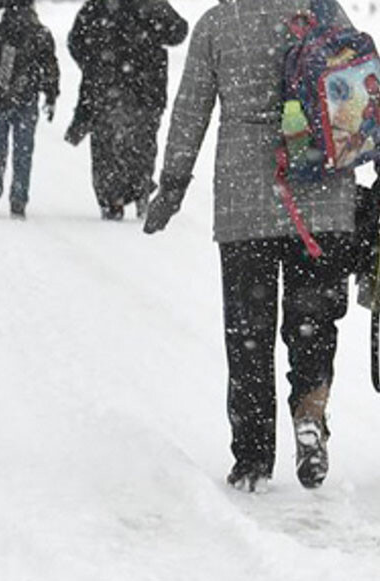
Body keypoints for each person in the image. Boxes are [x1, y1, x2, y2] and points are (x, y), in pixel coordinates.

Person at [143, 0, 359, 492]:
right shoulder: (323, 11)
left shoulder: (219, 23)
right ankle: (310, 411)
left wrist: (173, 183)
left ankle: (253, 459)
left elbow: (191, 107)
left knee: (248, 334)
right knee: (313, 322)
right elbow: (358, 90)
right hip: (322, 195)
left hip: (247, 201)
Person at [68, 0, 187, 220]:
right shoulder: (150, 4)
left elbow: (76, 41)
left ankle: (114, 199)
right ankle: (138, 189)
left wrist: (95, 64)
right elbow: (178, 31)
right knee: (140, 144)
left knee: (108, 147)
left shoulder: (98, 6)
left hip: (109, 89)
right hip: (145, 90)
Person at [0, 0, 59, 218]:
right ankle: (18, 199)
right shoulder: (40, 34)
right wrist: (51, 96)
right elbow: (50, 68)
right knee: (23, 152)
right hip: (27, 100)